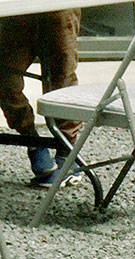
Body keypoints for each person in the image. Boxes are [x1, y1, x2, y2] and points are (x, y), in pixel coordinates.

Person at [0, 9, 82, 185]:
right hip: (16, 10)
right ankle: (32, 140)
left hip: (59, 8)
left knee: (62, 76)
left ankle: (66, 147)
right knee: (5, 77)